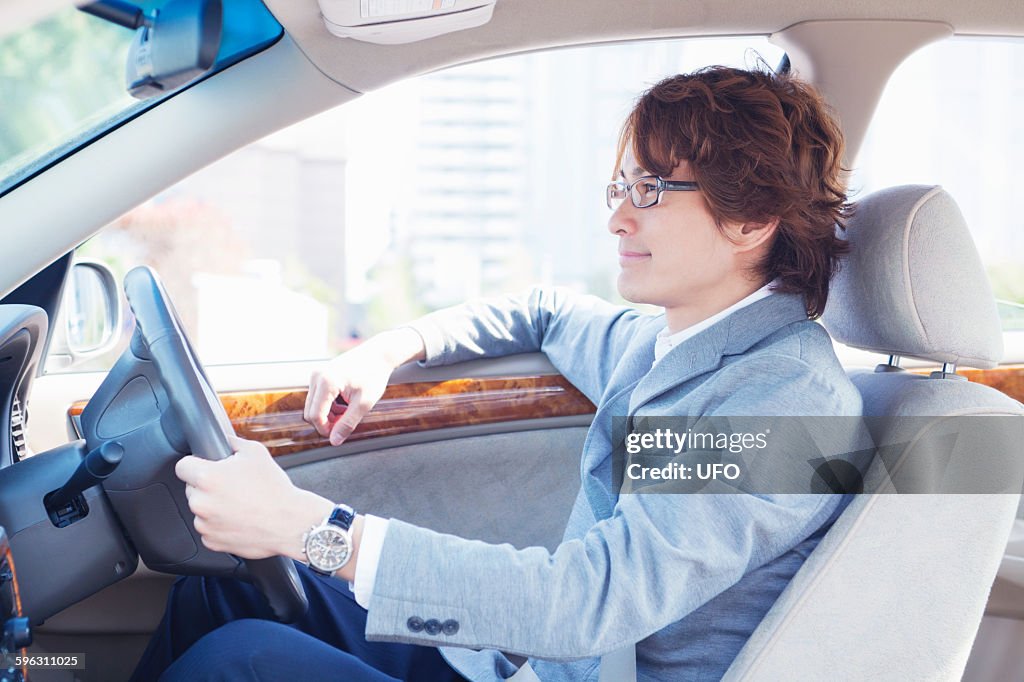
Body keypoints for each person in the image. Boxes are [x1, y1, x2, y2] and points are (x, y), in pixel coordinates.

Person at [130, 65, 862, 682]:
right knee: (217, 592)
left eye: (651, 190)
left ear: (753, 217)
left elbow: (590, 601)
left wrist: (314, 529)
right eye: (621, 188)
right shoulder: (667, 342)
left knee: (242, 660)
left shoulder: (786, 407)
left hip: (562, 658)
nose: (617, 219)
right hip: (522, 667)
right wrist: (397, 345)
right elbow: (543, 313)